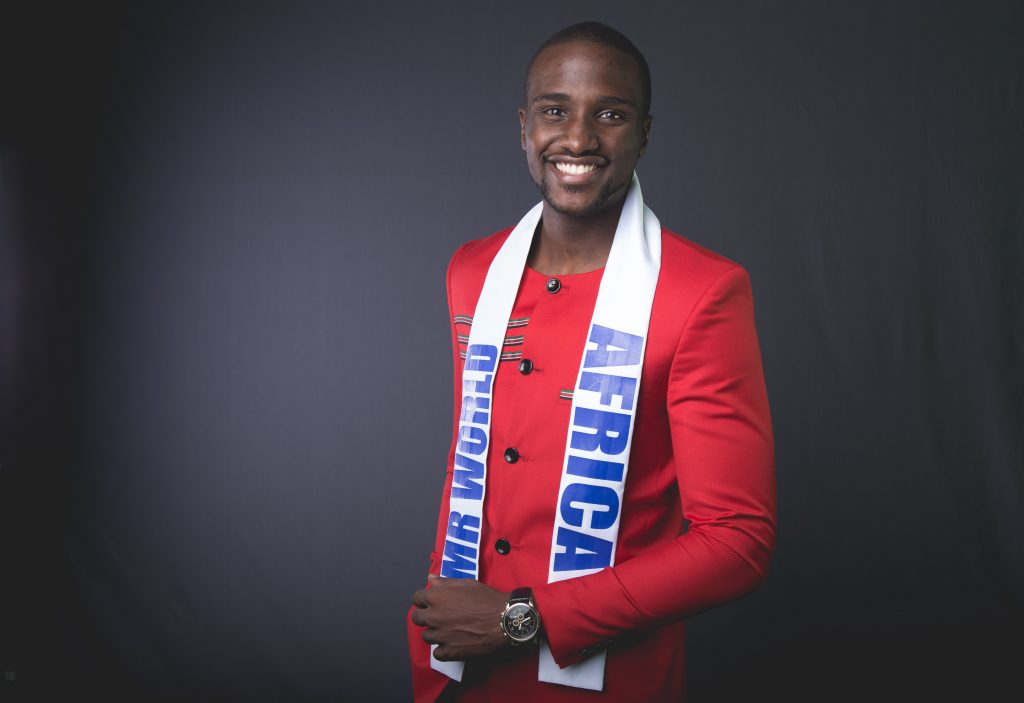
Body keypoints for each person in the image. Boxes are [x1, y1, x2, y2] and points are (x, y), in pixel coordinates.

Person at [408, 21, 775, 702]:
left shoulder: (702, 291)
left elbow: (737, 541)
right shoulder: (472, 271)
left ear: (644, 134)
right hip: (457, 665)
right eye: (555, 111)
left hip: (607, 681)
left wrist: (521, 619)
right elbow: (472, 460)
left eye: (610, 114)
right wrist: (436, 616)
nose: (577, 139)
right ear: (524, 127)